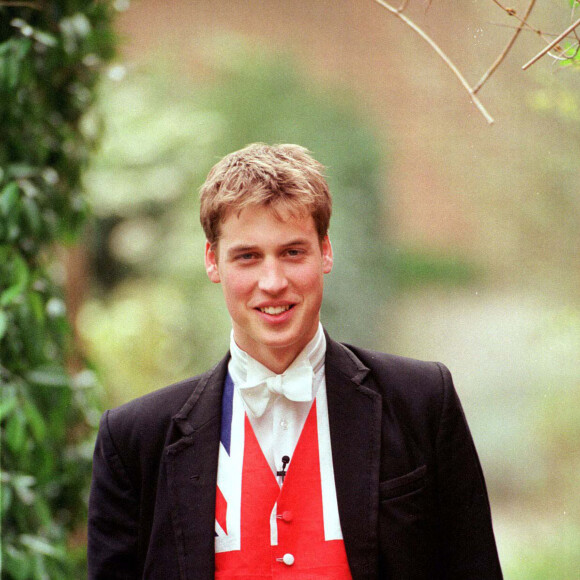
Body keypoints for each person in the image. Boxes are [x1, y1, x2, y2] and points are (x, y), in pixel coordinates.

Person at [88, 143, 503, 579]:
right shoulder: (135, 439)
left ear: (325, 251)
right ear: (213, 261)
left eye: (292, 252)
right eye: (248, 256)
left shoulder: (421, 401)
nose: (272, 282)